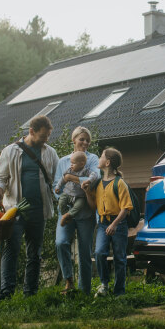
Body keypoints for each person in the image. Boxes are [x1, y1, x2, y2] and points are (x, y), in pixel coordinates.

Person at [0, 115, 59, 300]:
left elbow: (56, 180)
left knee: (34, 253)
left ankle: (30, 293)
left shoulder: (50, 153)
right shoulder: (10, 151)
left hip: (39, 211)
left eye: (48, 136)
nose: (46, 140)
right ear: (31, 131)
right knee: (11, 249)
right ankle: (6, 292)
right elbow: (0, 177)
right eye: (43, 136)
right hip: (14, 210)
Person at [53, 126, 100, 295]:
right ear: (73, 140)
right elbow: (56, 185)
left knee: (85, 252)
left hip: (86, 213)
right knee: (61, 242)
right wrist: (65, 202)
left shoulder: (93, 159)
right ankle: (69, 281)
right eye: (82, 139)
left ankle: (85, 291)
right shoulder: (63, 161)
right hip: (66, 211)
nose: (85, 143)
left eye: (88, 140)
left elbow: (94, 179)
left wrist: (70, 178)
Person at [83, 147, 133, 297]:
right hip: (103, 224)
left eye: (101, 157)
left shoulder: (119, 183)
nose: (99, 159)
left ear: (107, 162)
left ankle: (119, 292)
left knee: (119, 258)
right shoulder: (98, 184)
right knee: (99, 253)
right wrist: (86, 192)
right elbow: (94, 207)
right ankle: (104, 284)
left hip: (118, 224)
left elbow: (126, 208)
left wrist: (114, 224)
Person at [55, 151, 98, 227]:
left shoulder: (85, 171)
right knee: (61, 202)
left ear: (81, 164)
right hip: (67, 193)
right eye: (71, 163)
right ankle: (65, 216)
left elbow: (94, 175)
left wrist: (88, 180)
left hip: (79, 196)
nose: (71, 165)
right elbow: (62, 179)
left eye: (73, 163)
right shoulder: (69, 170)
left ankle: (68, 215)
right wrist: (58, 187)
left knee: (79, 205)